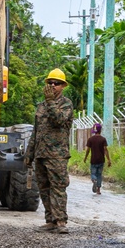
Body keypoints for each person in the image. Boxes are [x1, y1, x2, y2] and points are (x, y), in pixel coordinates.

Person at [24, 68, 75, 234]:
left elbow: (59, 120)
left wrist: (51, 101)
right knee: (44, 188)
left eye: (57, 83)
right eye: (50, 82)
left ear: (63, 86)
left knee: (58, 188)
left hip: (57, 155)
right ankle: (50, 220)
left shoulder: (66, 104)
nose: (53, 85)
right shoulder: (41, 106)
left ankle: (60, 221)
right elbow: (36, 132)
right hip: (40, 154)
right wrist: (29, 154)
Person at [83, 123, 111, 195]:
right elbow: (105, 149)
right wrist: (109, 160)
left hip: (93, 160)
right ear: (100, 130)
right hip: (101, 160)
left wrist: (85, 158)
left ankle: (94, 180)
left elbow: (88, 150)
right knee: (99, 174)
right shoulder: (103, 139)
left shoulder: (90, 139)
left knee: (93, 173)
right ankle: (98, 190)